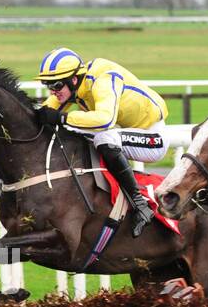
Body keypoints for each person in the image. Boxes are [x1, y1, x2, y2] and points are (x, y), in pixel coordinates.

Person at [34, 47, 169, 237]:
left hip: (153, 139)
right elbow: (44, 113)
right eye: (48, 85)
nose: (53, 91)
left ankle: (140, 205)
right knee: (72, 130)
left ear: (73, 80)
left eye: (56, 85)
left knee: (102, 137)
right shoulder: (72, 87)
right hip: (125, 131)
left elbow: (105, 120)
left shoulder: (103, 78)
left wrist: (62, 118)